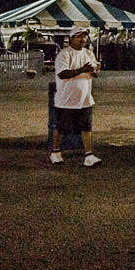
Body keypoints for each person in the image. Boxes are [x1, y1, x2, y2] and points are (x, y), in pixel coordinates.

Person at [49, 27, 102, 167]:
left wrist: (95, 71)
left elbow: (94, 71)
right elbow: (62, 74)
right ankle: (55, 152)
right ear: (71, 38)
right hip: (66, 99)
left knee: (86, 127)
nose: (82, 39)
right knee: (61, 128)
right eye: (79, 36)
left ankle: (89, 155)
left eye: (84, 37)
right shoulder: (64, 54)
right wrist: (82, 70)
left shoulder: (89, 53)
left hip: (84, 99)